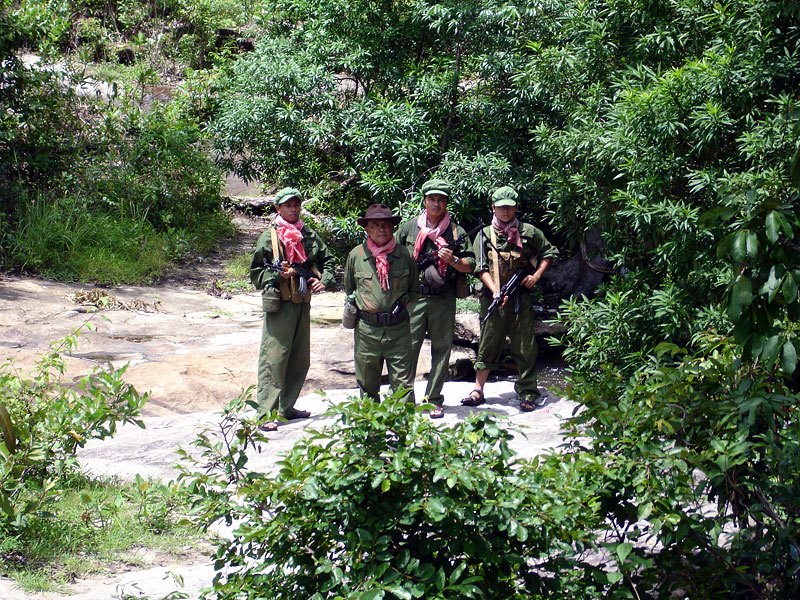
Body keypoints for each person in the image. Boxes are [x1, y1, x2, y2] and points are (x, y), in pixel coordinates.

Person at [462, 186, 558, 411]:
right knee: (488, 343)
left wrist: (535, 276)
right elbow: (479, 267)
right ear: (493, 208)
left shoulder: (530, 232)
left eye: (510, 206)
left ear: (516, 207)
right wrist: (496, 290)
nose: (505, 210)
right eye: (501, 206)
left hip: (520, 298)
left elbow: (549, 253)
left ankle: (528, 391)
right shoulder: (484, 234)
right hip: (492, 297)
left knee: (525, 346)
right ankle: (478, 389)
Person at [250, 187, 336, 431]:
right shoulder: (270, 238)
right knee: (274, 358)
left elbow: (328, 260)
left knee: (300, 359)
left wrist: (324, 280)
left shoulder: (307, 234)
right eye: (288, 205)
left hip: (302, 301)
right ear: (278, 208)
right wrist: (278, 276)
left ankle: (286, 408)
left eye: (297, 204)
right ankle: (265, 413)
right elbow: (256, 273)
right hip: (280, 305)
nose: (293, 209)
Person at [395, 178, 475, 418]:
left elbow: (471, 265)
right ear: (425, 200)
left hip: (443, 298)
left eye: (441, 200)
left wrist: (453, 260)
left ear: (446, 203)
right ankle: (403, 400)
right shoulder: (408, 228)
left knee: (441, 349)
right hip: (413, 298)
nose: (436, 204)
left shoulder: (456, 231)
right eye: (432, 199)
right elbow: (391, 256)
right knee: (407, 349)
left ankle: (434, 399)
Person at [344, 203, 418, 403]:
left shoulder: (404, 255)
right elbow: (350, 288)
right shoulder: (356, 256)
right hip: (367, 332)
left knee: (404, 388)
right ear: (367, 228)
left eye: (386, 224)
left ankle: (403, 431)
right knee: (367, 386)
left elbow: (413, 291)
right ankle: (370, 433)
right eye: (375, 224)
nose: (381, 229)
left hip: (398, 332)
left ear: (392, 227)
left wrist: (402, 309)